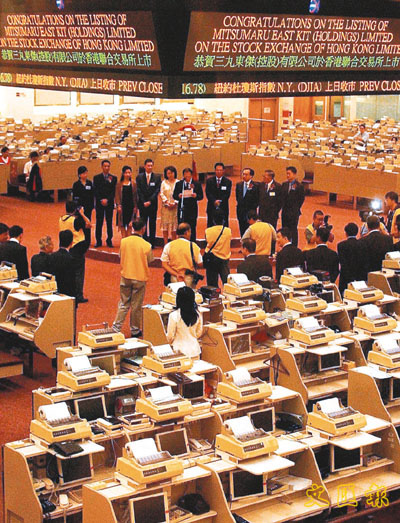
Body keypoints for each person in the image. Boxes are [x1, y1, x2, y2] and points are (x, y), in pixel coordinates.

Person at [112, 218, 153, 337]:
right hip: (140, 277)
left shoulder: (124, 241)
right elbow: (150, 260)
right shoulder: (146, 245)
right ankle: (135, 330)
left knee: (123, 303)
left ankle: (116, 327)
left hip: (126, 275)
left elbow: (120, 255)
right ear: (143, 229)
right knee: (136, 305)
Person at [59, 201, 91, 304]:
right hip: (77, 247)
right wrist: (82, 214)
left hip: (66, 247)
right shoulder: (75, 221)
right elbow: (89, 224)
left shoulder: (61, 218)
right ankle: (78, 295)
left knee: (68, 271)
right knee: (79, 273)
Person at [167, 286, 203, 358]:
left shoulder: (174, 315)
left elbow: (170, 336)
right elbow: (198, 333)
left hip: (179, 351)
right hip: (195, 350)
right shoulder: (198, 314)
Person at [173, 167, 203, 242]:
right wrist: (178, 196)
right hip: (182, 208)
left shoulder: (196, 184)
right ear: (183, 175)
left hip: (192, 209)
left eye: (189, 176)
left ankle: (192, 243)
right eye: (186, 176)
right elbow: (174, 195)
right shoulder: (179, 184)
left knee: (192, 226)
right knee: (182, 226)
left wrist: (196, 196)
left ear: (191, 175)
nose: (187, 177)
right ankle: (182, 242)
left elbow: (201, 196)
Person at [136, 158, 161, 247]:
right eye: (148, 165)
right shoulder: (139, 177)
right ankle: (144, 241)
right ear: (144, 166)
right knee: (143, 223)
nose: (150, 167)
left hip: (152, 204)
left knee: (152, 223)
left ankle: (152, 242)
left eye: (151, 165)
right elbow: (139, 190)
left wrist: (150, 201)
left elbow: (157, 190)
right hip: (142, 204)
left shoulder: (157, 177)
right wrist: (144, 201)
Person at [204, 210, 231, 288]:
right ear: (223, 220)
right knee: (227, 285)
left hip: (212, 260)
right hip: (224, 259)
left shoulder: (208, 231)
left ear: (213, 220)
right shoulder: (228, 231)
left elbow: (207, 241)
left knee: (212, 287)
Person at [93, 160, 117, 248]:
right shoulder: (96, 178)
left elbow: (113, 191)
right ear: (102, 167)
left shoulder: (113, 178)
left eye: (108, 166)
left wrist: (107, 200)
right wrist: (101, 200)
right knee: (99, 222)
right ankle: (98, 241)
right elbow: (95, 190)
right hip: (99, 204)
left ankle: (109, 240)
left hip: (109, 203)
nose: (106, 168)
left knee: (109, 222)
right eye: (105, 166)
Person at [337, 223, 365, 295]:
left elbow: (342, 262)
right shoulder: (362, 244)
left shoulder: (341, 245)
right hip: (359, 276)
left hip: (345, 278)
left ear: (346, 233)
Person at [281, 166, 305, 248]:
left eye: (289, 174)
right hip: (285, 212)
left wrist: (295, 208)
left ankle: (294, 247)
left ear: (294, 174)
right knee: (284, 230)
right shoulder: (284, 184)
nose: (287, 175)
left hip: (294, 213)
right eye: (287, 174)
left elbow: (301, 199)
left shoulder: (299, 186)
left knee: (293, 230)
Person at [49, 230, 76, 298]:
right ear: (71, 242)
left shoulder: (52, 256)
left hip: (53, 292)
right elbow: (72, 281)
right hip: (66, 294)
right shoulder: (71, 259)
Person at [72, 166, 94, 247]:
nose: (85, 175)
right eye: (83, 173)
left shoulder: (89, 183)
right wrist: (78, 207)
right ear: (79, 175)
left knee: (88, 223)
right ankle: (81, 241)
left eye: (86, 173)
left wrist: (91, 206)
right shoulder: (76, 185)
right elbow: (75, 197)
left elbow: (92, 195)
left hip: (88, 207)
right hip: (80, 208)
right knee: (80, 224)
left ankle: (88, 241)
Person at [205, 162, 232, 227]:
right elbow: (208, 193)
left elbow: (227, 194)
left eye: (220, 170)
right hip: (211, 206)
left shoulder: (228, 182)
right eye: (217, 170)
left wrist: (220, 201)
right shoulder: (209, 181)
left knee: (224, 226)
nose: (219, 172)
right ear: (215, 170)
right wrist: (214, 201)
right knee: (210, 225)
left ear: (223, 171)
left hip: (223, 207)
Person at [236, 167, 259, 237]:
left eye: (246, 174)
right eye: (243, 174)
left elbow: (257, 200)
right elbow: (238, 198)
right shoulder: (239, 185)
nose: (244, 176)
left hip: (251, 213)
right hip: (241, 212)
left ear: (251, 176)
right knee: (242, 231)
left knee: (251, 232)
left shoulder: (256, 186)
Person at [115, 165, 138, 238]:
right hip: (122, 207)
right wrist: (118, 205)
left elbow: (135, 196)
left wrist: (135, 206)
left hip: (131, 207)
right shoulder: (119, 184)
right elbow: (117, 195)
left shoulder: (134, 183)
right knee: (122, 224)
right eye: (126, 173)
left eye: (129, 172)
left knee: (130, 225)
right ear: (123, 173)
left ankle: (128, 239)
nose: (128, 174)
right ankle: (123, 239)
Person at [160, 165, 178, 244]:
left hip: (175, 208)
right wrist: (167, 202)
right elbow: (161, 194)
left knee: (174, 227)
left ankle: (174, 243)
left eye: (172, 173)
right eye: (168, 173)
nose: (170, 175)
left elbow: (180, 194)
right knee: (165, 226)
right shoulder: (164, 183)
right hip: (166, 208)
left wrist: (175, 203)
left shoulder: (178, 182)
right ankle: (165, 244)